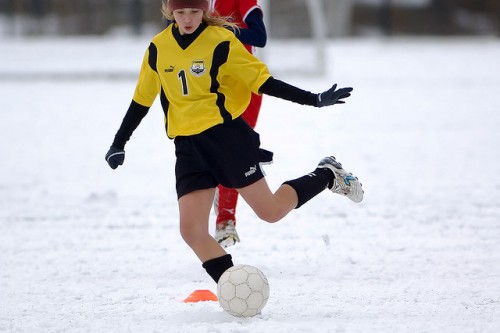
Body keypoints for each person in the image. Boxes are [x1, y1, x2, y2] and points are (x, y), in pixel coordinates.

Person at [105, 0, 363, 284]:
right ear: (170, 12)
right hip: (188, 148)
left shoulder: (221, 40)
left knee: (272, 212)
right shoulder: (158, 48)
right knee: (191, 231)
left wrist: (312, 99)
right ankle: (235, 287)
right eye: (181, 12)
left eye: (193, 11)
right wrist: (119, 142)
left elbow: (263, 81)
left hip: (226, 140)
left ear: (204, 10)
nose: (187, 18)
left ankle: (327, 174)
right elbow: (142, 99)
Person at [209, 0, 268, 248]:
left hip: (244, 84)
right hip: (205, 85)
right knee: (208, 153)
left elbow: (259, 36)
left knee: (235, 153)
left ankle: (225, 221)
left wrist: (221, 30)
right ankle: (220, 197)